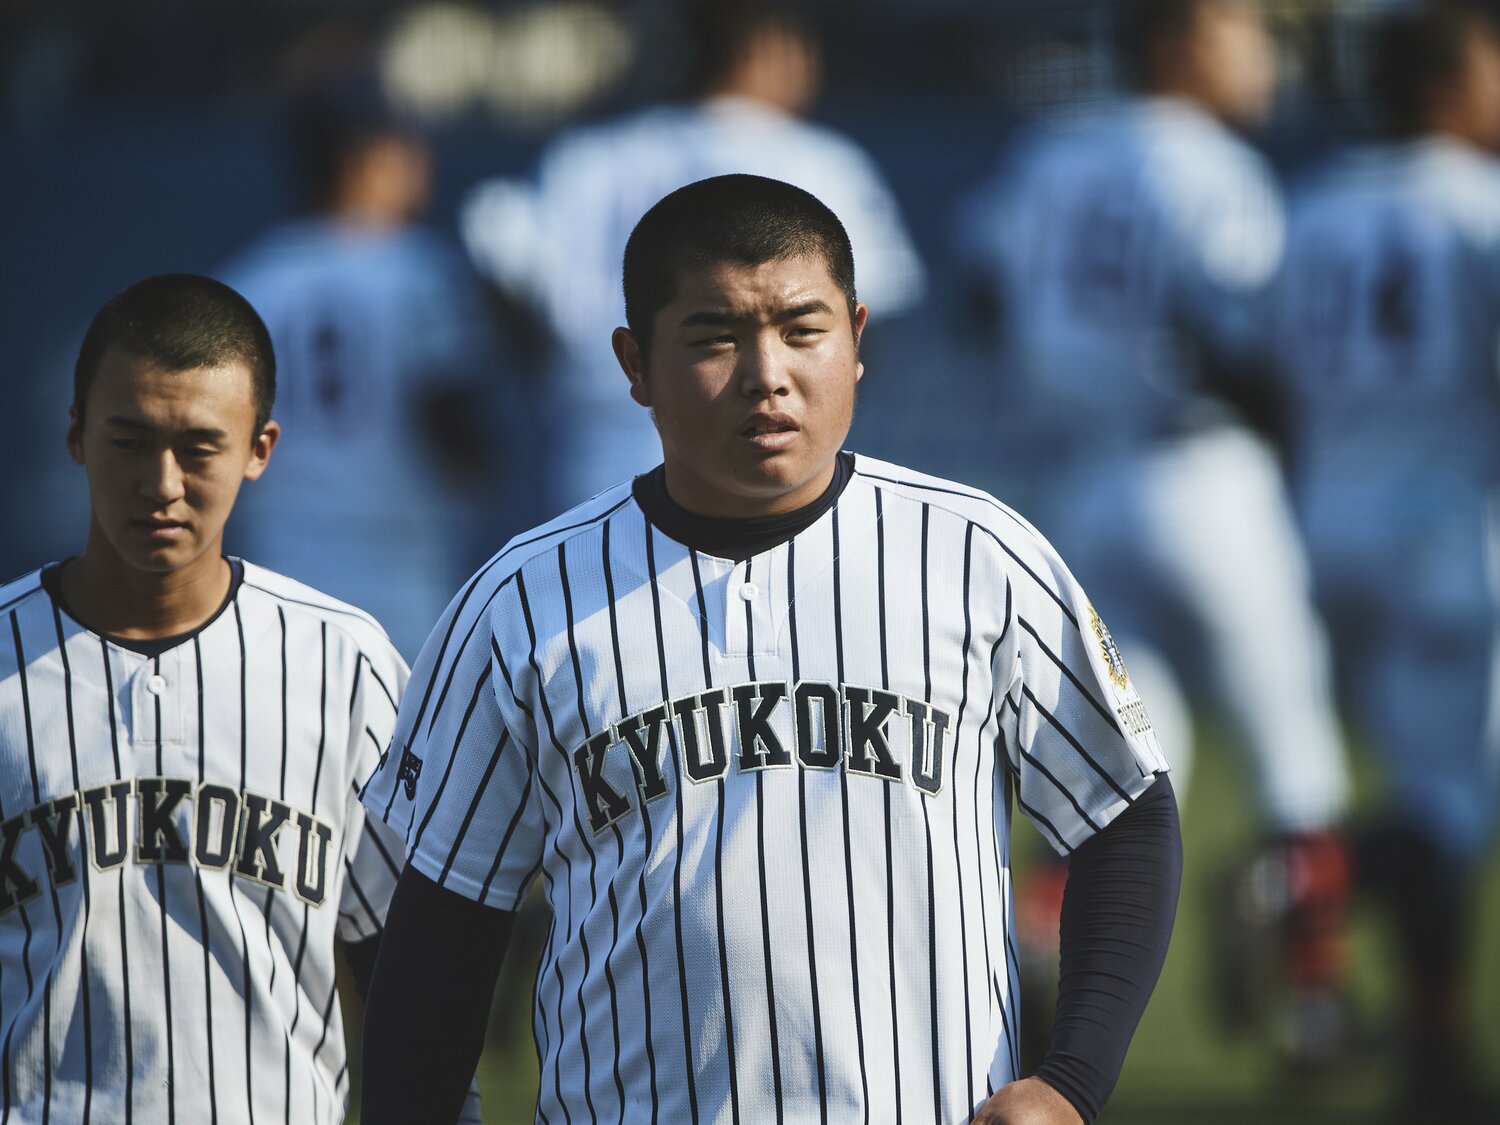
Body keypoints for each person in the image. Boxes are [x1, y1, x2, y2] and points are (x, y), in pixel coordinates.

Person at [357, 174, 1181, 1124]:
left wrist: (1071, 1081)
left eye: (802, 328)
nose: (767, 373)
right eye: (714, 336)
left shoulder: (978, 555)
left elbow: (1126, 817)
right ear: (634, 363)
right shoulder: (518, 602)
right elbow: (443, 931)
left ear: (858, 338)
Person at [957, 0, 1353, 1064]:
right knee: (1295, 746)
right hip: (1204, 471)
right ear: (1181, 42)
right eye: (1245, 33)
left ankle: (1040, 922)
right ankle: (1314, 1004)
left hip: (1081, 486)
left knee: (1134, 753)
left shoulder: (1050, 152)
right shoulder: (1210, 164)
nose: (1262, 57)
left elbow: (980, 284)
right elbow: (1238, 337)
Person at [0, 274, 449, 1122]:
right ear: (75, 435)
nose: (160, 483)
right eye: (128, 441)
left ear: (260, 448)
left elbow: (405, 962)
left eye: (198, 447)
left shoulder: (344, 661)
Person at [1268, 4, 1500, 1117]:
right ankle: (1303, 882)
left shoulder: (1312, 206)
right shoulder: (1476, 202)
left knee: (1417, 787)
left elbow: (1257, 364)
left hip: (1324, 517)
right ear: (1454, 83)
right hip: (1440, 524)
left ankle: (1428, 1047)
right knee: (1448, 802)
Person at [460, 0, 926, 512]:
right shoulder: (815, 160)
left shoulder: (590, 157)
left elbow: (502, 259)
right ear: (765, 48)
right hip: (772, 449)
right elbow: (869, 327)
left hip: (600, 451)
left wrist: (559, 372)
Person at [218, 83, 505, 661]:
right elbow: (452, 423)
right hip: (401, 566)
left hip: (280, 561)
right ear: (363, 158)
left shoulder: (246, 281)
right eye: (405, 145)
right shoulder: (420, 270)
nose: (422, 161)